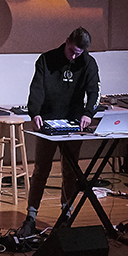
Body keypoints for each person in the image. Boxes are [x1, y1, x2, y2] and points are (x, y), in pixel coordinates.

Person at [17, 27, 101, 237]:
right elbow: (36, 88)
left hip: (73, 123)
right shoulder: (46, 60)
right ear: (66, 41)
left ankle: (66, 212)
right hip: (48, 122)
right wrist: (34, 113)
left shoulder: (88, 63)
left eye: (78, 53)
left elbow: (94, 91)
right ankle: (31, 215)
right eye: (72, 50)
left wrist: (88, 113)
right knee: (41, 170)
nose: (74, 56)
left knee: (70, 171)